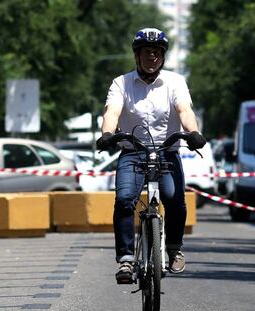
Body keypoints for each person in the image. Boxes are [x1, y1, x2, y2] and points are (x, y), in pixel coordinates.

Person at [96, 28, 206, 283]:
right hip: (132, 153)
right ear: (137, 55)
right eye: (147, 51)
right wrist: (107, 133)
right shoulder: (121, 83)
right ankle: (125, 260)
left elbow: (184, 110)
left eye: (157, 52)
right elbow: (112, 111)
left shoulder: (175, 82)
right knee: (124, 200)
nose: (153, 56)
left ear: (163, 56)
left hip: (167, 152)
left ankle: (173, 248)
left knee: (175, 199)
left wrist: (193, 132)